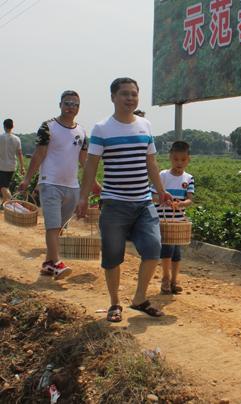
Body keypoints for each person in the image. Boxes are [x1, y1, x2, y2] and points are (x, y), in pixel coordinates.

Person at [76, 77, 172, 322]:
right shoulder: (102, 128)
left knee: (153, 249)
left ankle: (139, 299)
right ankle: (114, 303)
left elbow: (151, 162)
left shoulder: (145, 126)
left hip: (144, 202)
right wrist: (83, 197)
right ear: (113, 97)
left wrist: (161, 190)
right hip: (114, 203)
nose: (130, 98)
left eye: (134, 94)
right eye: (124, 94)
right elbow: (91, 166)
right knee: (112, 256)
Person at [19, 91, 88, 279]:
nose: (71, 107)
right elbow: (39, 154)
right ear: (60, 105)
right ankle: (56, 262)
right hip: (50, 182)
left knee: (59, 228)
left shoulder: (81, 131)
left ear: (79, 108)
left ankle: (48, 264)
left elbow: (84, 160)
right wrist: (27, 179)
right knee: (52, 225)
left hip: (72, 186)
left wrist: (94, 183)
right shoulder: (48, 127)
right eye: (68, 103)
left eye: (75, 104)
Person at [152, 140, 194, 295]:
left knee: (177, 252)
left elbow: (189, 200)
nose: (179, 163)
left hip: (179, 221)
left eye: (183, 159)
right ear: (170, 157)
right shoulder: (162, 176)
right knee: (167, 249)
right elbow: (153, 195)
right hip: (164, 220)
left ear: (188, 159)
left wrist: (181, 204)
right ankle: (165, 278)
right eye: (176, 159)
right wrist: (164, 200)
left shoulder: (189, 178)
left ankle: (174, 280)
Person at [0, 118, 25, 204]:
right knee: (5, 185)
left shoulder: (0, 138)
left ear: (4, 126)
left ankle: (14, 203)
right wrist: (22, 167)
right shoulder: (17, 139)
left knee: (3, 187)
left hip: (2, 166)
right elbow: (20, 154)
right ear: (13, 126)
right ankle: (4, 204)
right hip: (12, 166)